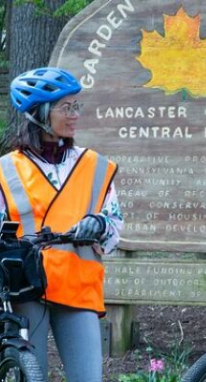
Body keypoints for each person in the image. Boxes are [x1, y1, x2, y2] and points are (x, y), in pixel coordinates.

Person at [0, 67, 123, 381]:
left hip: (77, 287)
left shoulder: (95, 165)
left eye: (76, 106)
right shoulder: (6, 170)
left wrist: (100, 224)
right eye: (66, 107)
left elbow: (114, 228)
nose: (75, 114)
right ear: (41, 113)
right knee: (31, 376)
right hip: (27, 287)